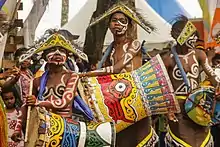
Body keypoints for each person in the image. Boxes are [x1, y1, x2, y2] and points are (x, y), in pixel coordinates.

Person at [87, 2, 158, 147]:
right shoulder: (110, 50)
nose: (117, 24)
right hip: (117, 101)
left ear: (129, 25)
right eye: (114, 20)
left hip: (136, 99)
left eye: (122, 21)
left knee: (139, 137)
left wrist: (85, 74)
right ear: (109, 24)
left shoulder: (135, 44)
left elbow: (117, 69)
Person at [11, 31, 93, 142]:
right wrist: (17, 129)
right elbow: (26, 105)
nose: (58, 53)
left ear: (67, 55)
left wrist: (38, 103)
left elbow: (64, 102)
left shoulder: (72, 76)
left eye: (62, 50)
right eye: (52, 50)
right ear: (44, 56)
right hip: (43, 129)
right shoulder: (36, 81)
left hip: (66, 129)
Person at [161, 15, 220, 147]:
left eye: (195, 35)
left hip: (198, 106)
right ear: (179, 37)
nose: (194, 39)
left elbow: (211, 74)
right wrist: (168, 109)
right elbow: (162, 86)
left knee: (201, 141)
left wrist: (218, 86)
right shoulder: (168, 59)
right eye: (190, 35)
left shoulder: (199, 54)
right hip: (178, 109)